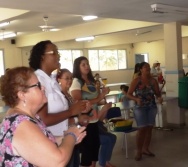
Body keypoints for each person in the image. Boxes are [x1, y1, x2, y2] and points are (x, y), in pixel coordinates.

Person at [0, 66, 86, 166]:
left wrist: (64, 137)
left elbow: (41, 142)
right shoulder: (21, 124)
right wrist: (71, 136)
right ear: (22, 95)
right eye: (38, 85)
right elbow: (57, 162)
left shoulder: (30, 117)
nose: (43, 88)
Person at [29, 40, 89, 166]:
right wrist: (71, 111)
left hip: (64, 139)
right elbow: (43, 119)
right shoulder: (38, 81)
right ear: (42, 57)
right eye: (54, 52)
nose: (58, 55)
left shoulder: (52, 80)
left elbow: (61, 114)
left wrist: (78, 116)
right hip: (50, 145)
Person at [70, 56, 110, 167]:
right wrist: (100, 96)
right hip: (84, 120)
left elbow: (95, 101)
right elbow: (79, 101)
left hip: (94, 119)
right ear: (78, 67)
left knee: (95, 148)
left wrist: (102, 98)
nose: (87, 66)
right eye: (83, 64)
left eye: (87, 64)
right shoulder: (76, 81)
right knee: (87, 151)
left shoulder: (91, 81)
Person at [127, 62, 162, 161]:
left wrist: (159, 98)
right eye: (145, 67)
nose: (148, 68)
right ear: (140, 69)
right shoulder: (136, 80)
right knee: (142, 129)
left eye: (148, 67)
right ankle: (139, 151)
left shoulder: (153, 81)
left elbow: (157, 93)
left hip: (151, 107)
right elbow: (128, 94)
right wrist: (136, 99)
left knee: (149, 128)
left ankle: (145, 149)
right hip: (140, 108)